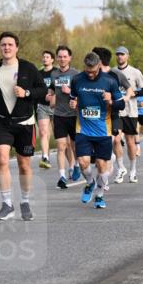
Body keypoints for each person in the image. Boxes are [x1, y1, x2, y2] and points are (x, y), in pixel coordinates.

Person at [0, 31, 47, 221]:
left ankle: (25, 201)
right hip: (3, 122)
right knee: (2, 159)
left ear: (16, 48)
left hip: (25, 123)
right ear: (0, 47)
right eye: (3, 44)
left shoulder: (28, 68)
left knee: (24, 165)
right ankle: (7, 204)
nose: (7, 48)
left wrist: (26, 93)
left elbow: (42, 90)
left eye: (10, 44)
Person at [71, 52, 123, 209]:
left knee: (102, 166)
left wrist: (111, 101)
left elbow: (121, 105)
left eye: (93, 71)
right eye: (88, 71)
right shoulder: (77, 79)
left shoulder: (110, 81)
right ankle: (89, 183)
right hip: (83, 129)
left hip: (103, 130)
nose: (91, 74)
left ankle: (100, 196)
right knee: (82, 161)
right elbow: (73, 98)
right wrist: (73, 103)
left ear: (99, 65)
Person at [50, 45, 81, 189]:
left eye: (65, 56)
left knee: (74, 146)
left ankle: (76, 165)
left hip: (73, 115)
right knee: (61, 146)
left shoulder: (76, 74)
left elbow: (82, 93)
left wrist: (70, 91)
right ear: (57, 58)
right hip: (59, 114)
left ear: (70, 58)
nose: (62, 59)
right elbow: (51, 88)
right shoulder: (54, 74)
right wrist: (49, 95)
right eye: (60, 56)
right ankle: (62, 176)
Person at [113, 46, 143, 183]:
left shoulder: (135, 72)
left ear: (127, 56)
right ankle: (120, 169)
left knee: (130, 141)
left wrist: (135, 93)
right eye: (118, 55)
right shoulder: (112, 72)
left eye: (122, 54)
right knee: (116, 139)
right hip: (116, 111)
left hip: (131, 111)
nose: (120, 57)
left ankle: (133, 171)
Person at [37, 50, 55, 169]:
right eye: (43, 57)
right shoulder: (38, 74)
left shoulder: (57, 73)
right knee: (43, 132)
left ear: (52, 59)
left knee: (61, 138)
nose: (45, 59)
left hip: (57, 106)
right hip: (42, 106)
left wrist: (54, 97)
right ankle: (45, 157)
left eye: (47, 57)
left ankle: (73, 163)